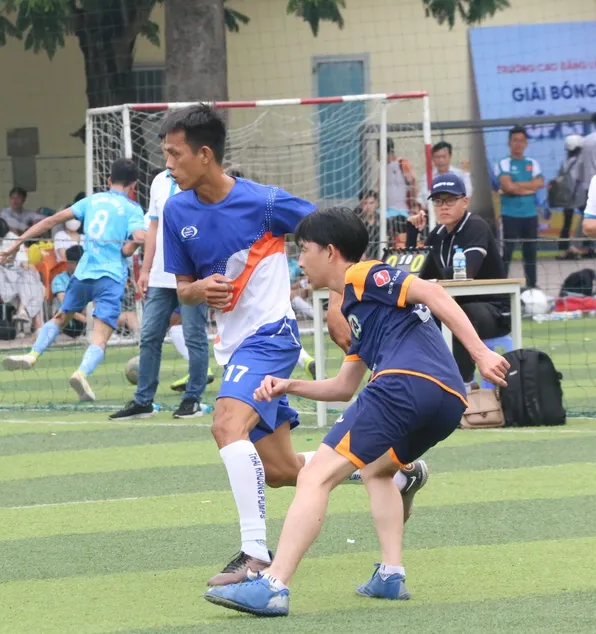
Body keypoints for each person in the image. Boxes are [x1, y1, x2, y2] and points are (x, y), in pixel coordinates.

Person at [158, 104, 429, 588]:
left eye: (175, 154)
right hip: (233, 346)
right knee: (281, 471)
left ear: (204, 154)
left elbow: (337, 242)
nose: (168, 164)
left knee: (225, 425)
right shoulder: (176, 210)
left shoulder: (264, 203)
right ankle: (394, 470)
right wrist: (200, 290)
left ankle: (254, 555)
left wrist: (335, 301)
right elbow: (182, 287)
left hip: (271, 337)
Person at [203, 207, 509, 617]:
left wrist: (481, 351)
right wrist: (289, 385)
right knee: (377, 470)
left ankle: (273, 585)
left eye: (304, 249)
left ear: (330, 252)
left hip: (403, 384)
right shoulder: (358, 306)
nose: (299, 260)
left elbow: (435, 293)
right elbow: (344, 386)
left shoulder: (362, 275)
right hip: (447, 399)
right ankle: (390, 573)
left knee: (314, 475)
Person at [0, 157, 146, 401]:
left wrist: (16, 245)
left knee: (60, 317)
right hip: (111, 277)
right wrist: (137, 244)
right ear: (134, 186)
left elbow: (51, 221)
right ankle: (81, 373)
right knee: (100, 337)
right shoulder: (132, 208)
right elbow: (139, 237)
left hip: (83, 273)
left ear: (109, 180)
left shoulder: (92, 200)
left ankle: (32, 355)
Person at [111, 168, 211, 420]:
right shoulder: (158, 180)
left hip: (192, 273)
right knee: (149, 336)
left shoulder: (199, 176)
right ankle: (143, 401)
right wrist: (145, 269)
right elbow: (153, 228)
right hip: (159, 276)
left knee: (194, 336)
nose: (168, 153)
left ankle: (193, 399)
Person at [419, 174, 510, 387]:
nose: (443, 206)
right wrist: (414, 234)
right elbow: (419, 274)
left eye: (450, 200)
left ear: (465, 201)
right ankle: (428, 382)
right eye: (438, 201)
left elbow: (467, 271)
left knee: (458, 315)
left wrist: (436, 277)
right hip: (457, 304)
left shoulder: (475, 226)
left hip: (495, 310)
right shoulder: (437, 234)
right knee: (418, 315)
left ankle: (465, 384)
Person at [493, 125, 543, 289]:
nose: (518, 144)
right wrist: (528, 188)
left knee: (530, 254)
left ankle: (532, 287)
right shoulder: (503, 163)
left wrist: (517, 187)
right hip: (510, 215)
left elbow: (540, 183)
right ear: (509, 143)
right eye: (515, 140)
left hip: (530, 215)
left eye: (522, 140)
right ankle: (500, 288)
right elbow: (508, 186)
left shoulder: (532, 163)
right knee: (507, 253)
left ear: (526, 143)